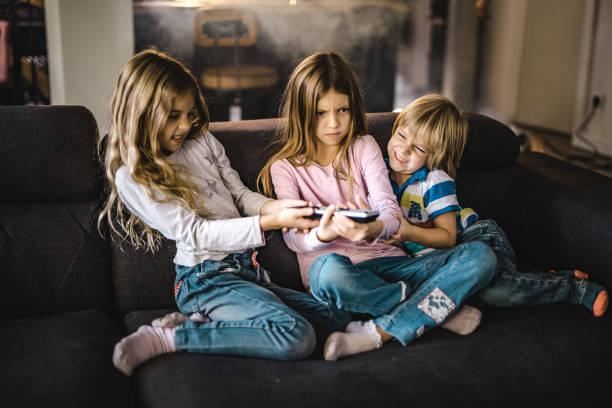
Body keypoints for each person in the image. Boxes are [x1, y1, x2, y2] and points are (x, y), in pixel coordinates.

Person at [99, 49, 353, 376]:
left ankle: (211, 321)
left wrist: (281, 207)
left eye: (190, 114)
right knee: (296, 336)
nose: (185, 125)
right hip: (205, 280)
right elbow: (197, 233)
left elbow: (239, 195)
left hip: (249, 274)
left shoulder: (202, 141)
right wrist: (270, 221)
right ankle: (169, 337)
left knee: (339, 320)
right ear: (142, 113)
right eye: (173, 115)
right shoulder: (133, 176)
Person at [257, 51, 497, 361]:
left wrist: (376, 227)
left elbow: (389, 208)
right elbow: (294, 238)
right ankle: (437, 312)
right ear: (302, 112)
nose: (333, 123)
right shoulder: (284, 168)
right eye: (320, 113)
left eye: (342, 110)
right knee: (326, 273)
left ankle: (378, 330)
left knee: (481, 256)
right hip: (343, 276)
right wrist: (325, 234)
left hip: (394, 265)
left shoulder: (363, 145)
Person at [383, 94, 608, 317]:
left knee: (492, 293)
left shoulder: (435, 181)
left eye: (420, 149)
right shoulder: (380, 171)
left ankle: (573, 288)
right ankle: (538, 281)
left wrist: (409, 232)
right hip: (448, 259)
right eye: (402, 135)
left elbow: (448, 237)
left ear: (437, 155)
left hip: (478, 239)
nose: (403, 149)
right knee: (462, 293)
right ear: (395, 129)